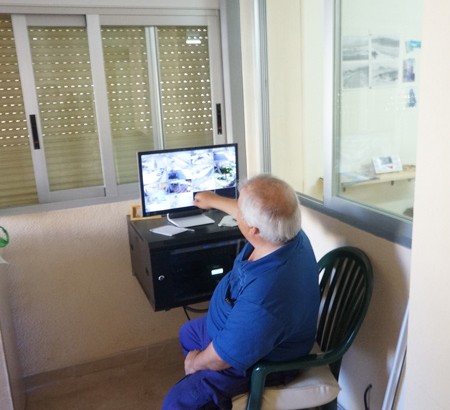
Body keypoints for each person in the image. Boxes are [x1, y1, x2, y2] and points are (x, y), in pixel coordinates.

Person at [162, 174, 320, 410]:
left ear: (253, 229)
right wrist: (212, 199)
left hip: (258, 361)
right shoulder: (285, 230)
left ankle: (214, 394)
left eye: (241, 213)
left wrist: (196, 363)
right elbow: (248, 212)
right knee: (189, 333)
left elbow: (222, 357)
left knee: (176, 402)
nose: (237, 214)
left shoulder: (267, 296)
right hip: (239, 329)